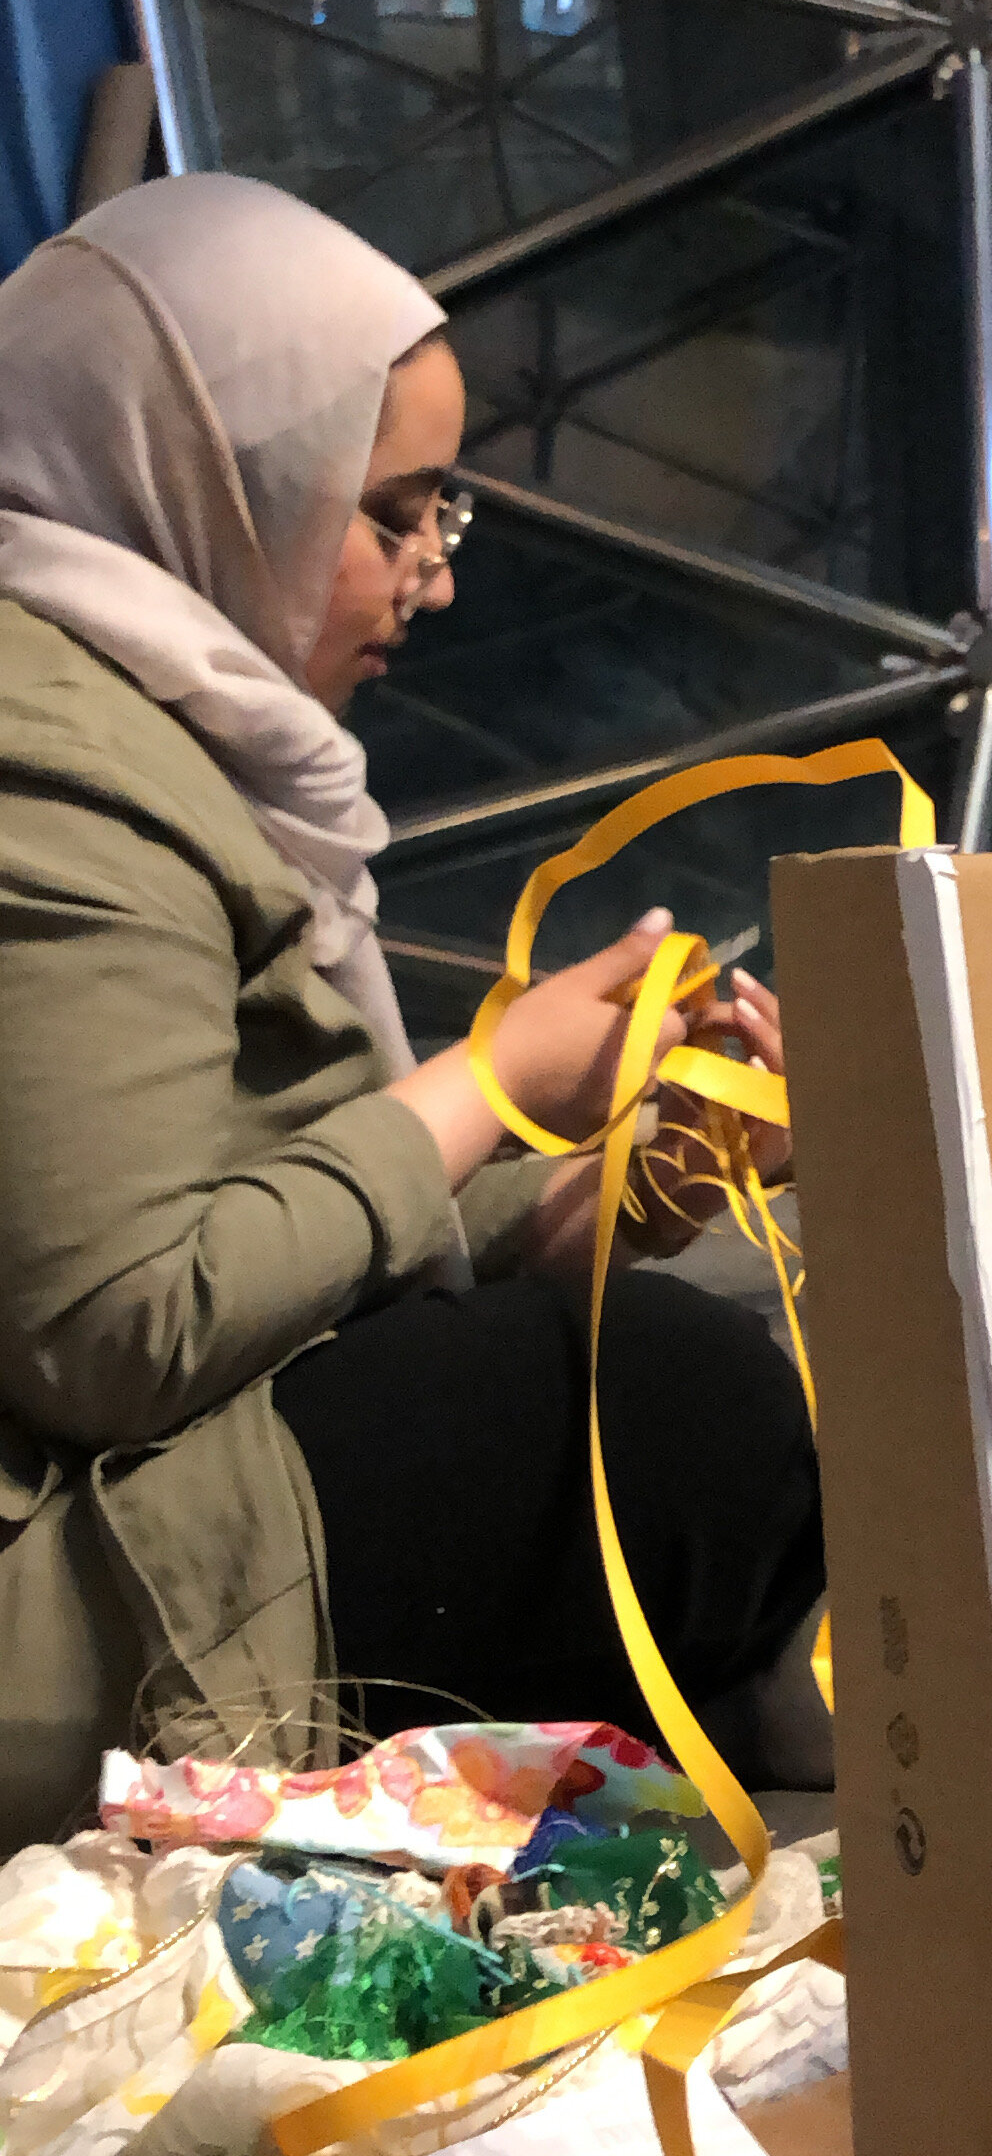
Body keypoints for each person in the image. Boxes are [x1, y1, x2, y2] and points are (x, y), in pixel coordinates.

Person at [0, 175, 828, 1854]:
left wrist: (625, 1178)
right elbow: (117, 1329)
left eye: (445, 514)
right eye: (391, 514)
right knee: (671, 1408)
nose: (431, 579)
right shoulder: (51, 767)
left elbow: (278, 1191)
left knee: (674, 1396)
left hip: (142, 1470)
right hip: (50, 1597)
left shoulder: (157, 722)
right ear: (212, 478)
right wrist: (485, 1084)